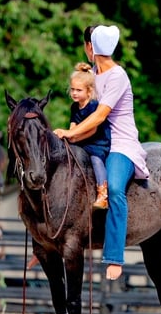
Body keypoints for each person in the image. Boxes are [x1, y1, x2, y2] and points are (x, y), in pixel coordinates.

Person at [54, 24, 149, 281]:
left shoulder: (118, 76)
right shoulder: (92, 73)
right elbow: (84, 110)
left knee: (116, 189)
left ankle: (115, 256)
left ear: (90, 48)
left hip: (119, 143)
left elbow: (99, 115)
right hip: (95, 140)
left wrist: (70, 134)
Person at [68, 62, 112, 209]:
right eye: (72, 89)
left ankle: (102, 193)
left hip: (97, 142)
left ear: (89, 91)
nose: (74, 93)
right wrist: (68, 138)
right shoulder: (75, 106)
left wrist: (73, 137)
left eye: (78, 90)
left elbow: (92, 130)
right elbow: (73, 126)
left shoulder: (93, 106)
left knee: (96, 160)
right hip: (82, 141)